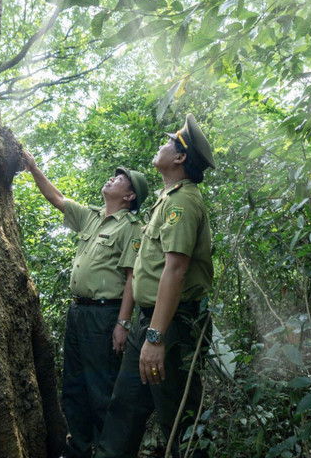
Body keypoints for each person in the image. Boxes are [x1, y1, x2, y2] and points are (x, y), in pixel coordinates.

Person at [95, 114, 216, 458]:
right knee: (124, 410)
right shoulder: (168, 198)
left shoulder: (183, 202)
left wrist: (156, 337)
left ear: (180, 158)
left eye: (169, 142)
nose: (162, 145)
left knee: (179, 419)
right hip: (150, 323)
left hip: (171, 327)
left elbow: (175, 271)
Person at [21, 151, 149, 458]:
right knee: (74, 386)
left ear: (129, 196)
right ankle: (77, 449)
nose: (112, 179)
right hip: (77, 312)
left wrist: (123, 323)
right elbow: (57, 198)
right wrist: (34, 168)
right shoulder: (91, 216)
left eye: (120, 179)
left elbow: (132, 277)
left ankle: (107, 451)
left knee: (101, 389)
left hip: (105, 316)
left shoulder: (131, 226)